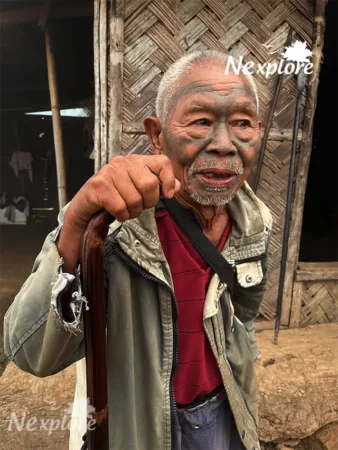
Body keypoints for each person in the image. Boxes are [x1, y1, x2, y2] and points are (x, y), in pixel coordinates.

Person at [4, 50, 272, 450]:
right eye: (200, 121)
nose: (223, 144)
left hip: (224, 415)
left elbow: (244, 317)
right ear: (156, 135)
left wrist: (241, 380)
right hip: (140, 430)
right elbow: (28, 352)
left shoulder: (254, 220)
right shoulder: (112, 230)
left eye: (241, 123)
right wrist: (77, 221)